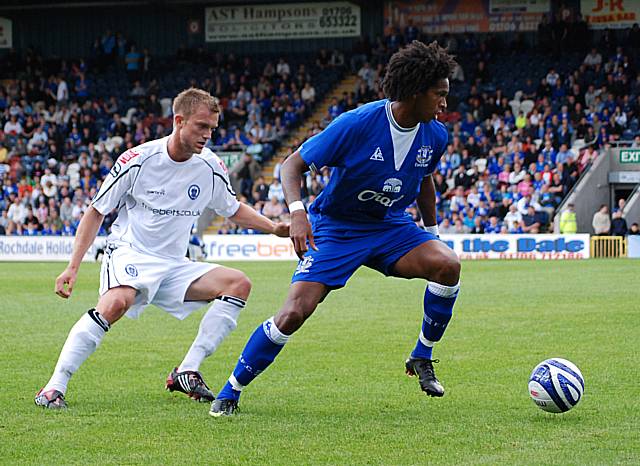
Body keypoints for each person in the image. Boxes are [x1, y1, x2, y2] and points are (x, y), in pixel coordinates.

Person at [210, 41, 460, 417]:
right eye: (439, 94)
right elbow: (291, 165)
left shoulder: (435, 135)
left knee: (448, 264)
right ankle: (231, 390)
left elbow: (425, 180)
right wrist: (298, 212)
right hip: (337, 228)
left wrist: (433, 231)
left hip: (390, 226)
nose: (445, 103)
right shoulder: (358, 123)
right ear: (414, 90)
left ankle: (421, 356)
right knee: (294, 312)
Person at [35, 88, 289, 409]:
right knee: (116, 302)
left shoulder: (209, 165)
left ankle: (187, 369)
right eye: (201, 127)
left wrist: (274, 228)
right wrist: (72, 267)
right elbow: (96, 211)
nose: (208, 135)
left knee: (238, 283)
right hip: (131, 252)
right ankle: (53, 387)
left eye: (212, 128)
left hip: (173, 264)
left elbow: (232, 208)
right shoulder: (138, 160)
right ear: (178, 121)